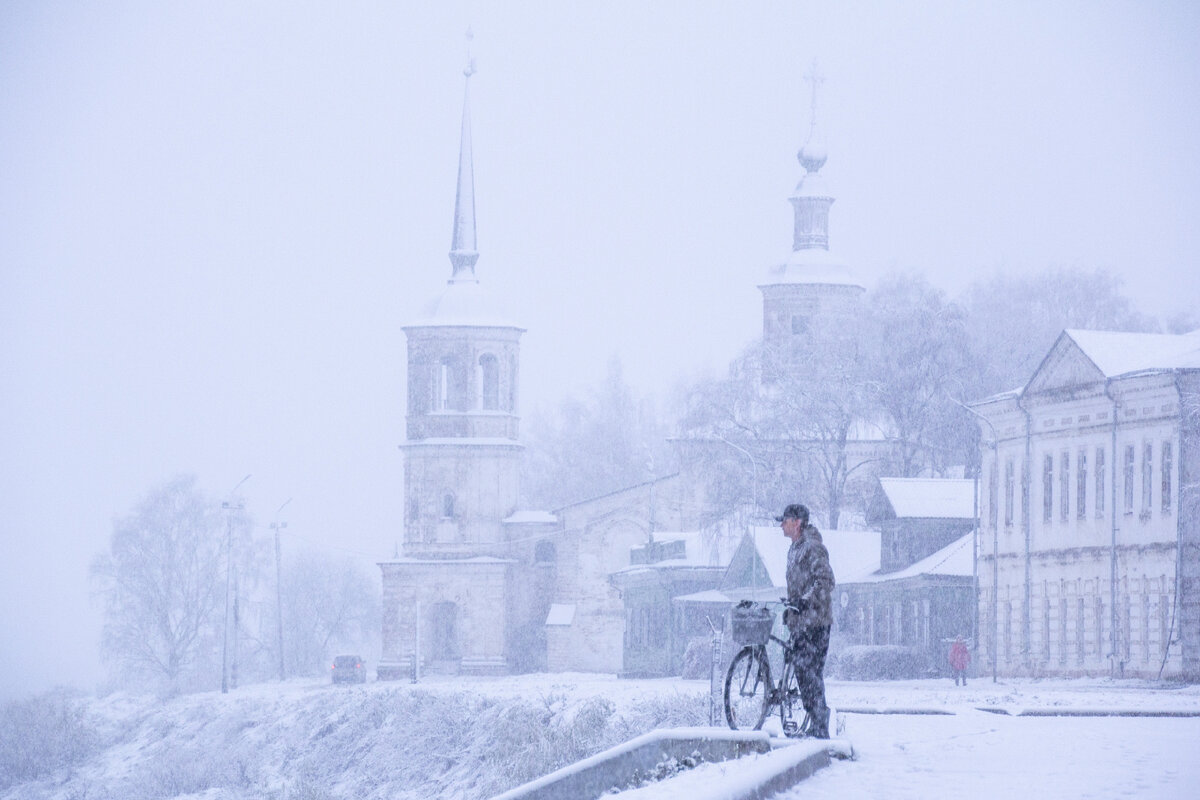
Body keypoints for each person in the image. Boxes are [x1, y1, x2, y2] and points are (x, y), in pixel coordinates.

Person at [779, 503, 835, 738]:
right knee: (803, 672)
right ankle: (814, 720)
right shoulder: (794, 549)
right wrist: (792, 607)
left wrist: (805, 601)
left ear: (797, 523)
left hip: (816, 622)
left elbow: (825, 581)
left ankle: (820, 725)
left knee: (810, 672)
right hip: (800, 622)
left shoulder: (813, 548)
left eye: (785, 520)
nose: (782, 524)